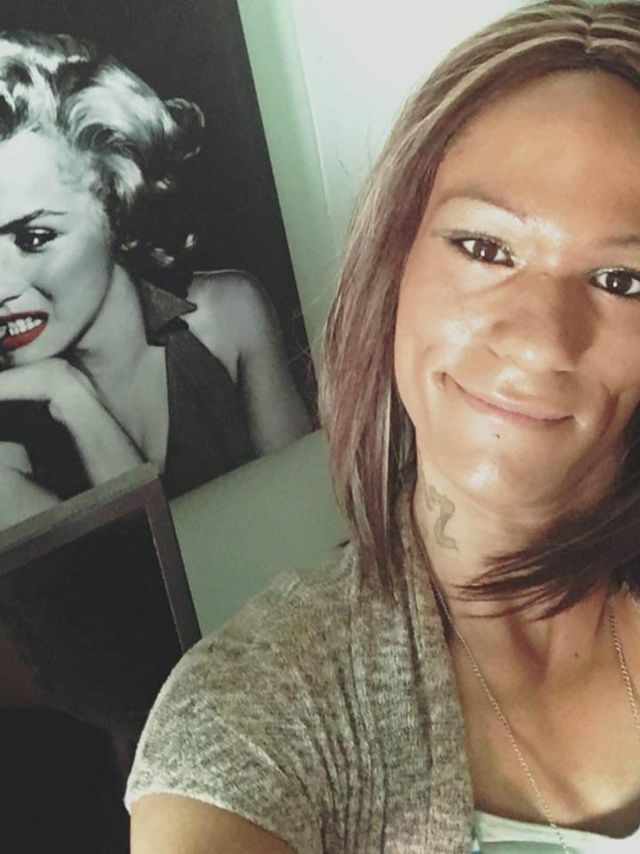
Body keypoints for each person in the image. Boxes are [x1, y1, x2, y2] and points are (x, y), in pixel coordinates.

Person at [126, 1, 640, 851]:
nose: (540, 339)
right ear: (393, 266)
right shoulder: (252, 713)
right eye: (485, 248)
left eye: (622, 281)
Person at [0, 31, 311, 532]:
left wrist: (70, 394)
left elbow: (308, 519)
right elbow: (142, 568)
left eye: (34, 238)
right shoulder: (7, 437)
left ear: (117, 209)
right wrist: (69, 397)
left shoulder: (228, 317)